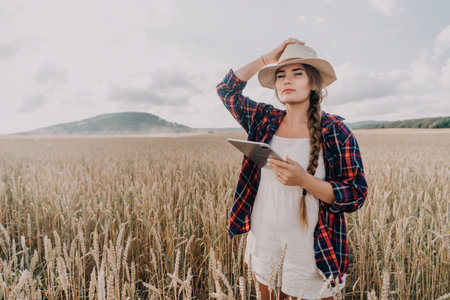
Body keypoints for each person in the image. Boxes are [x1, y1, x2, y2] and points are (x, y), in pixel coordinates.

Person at [216, 38, 368, 299]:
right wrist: (267, 58)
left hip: (312, 248)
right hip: (265, 239)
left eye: (297, 74)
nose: (286, 81)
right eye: (280, 75)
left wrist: (304, 180)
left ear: (313, 82)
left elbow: (355, 194)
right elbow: (226, 90)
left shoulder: (336, 131)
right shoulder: (264, 119)